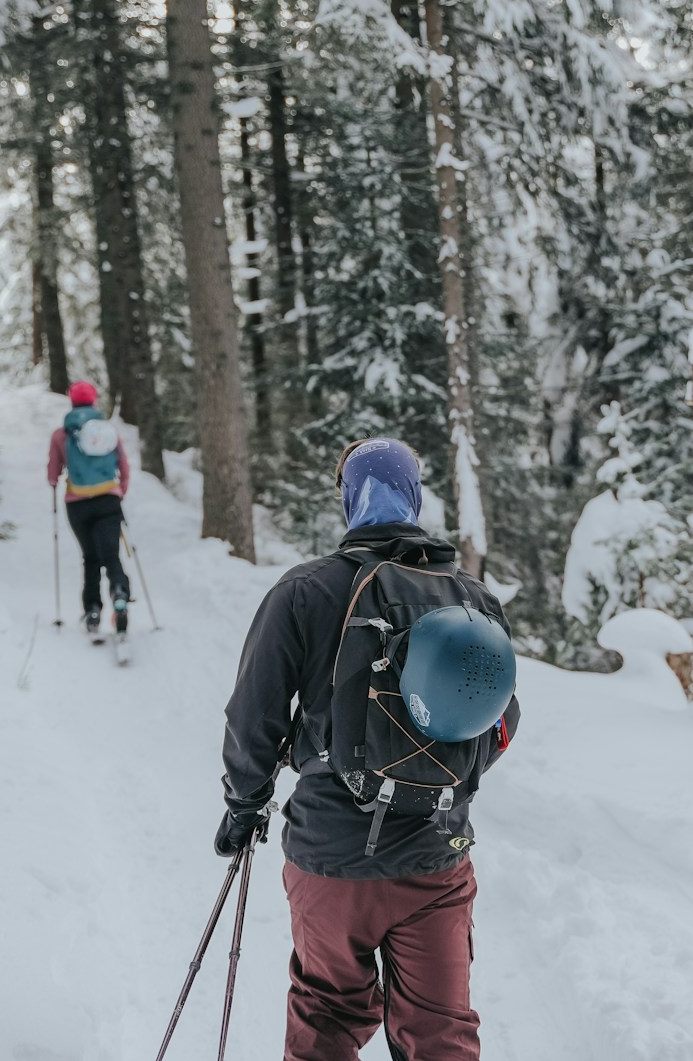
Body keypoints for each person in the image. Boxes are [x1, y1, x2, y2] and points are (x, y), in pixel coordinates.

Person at [217, 437, 521, 1061]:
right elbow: (500, 720)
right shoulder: (472, 598)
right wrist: (448, 783)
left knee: (326, 1020)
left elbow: (254, 714)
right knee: (441, 1036)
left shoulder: (304, 591)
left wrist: (245, 803)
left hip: (330, 860)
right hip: (438, 856)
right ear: (413, 496)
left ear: (350, 499)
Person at [46, 382, 132, 638]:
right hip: (108, 500)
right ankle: (119, 591)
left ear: (72, 402)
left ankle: (93, 610)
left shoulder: (61, 435)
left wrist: (56, 480)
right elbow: (124, 466)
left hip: (78, 504)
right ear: (94, 401)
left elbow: (53, 474)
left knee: (91, 558)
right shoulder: (108, 430)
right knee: (111, 555)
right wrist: (119, 491)